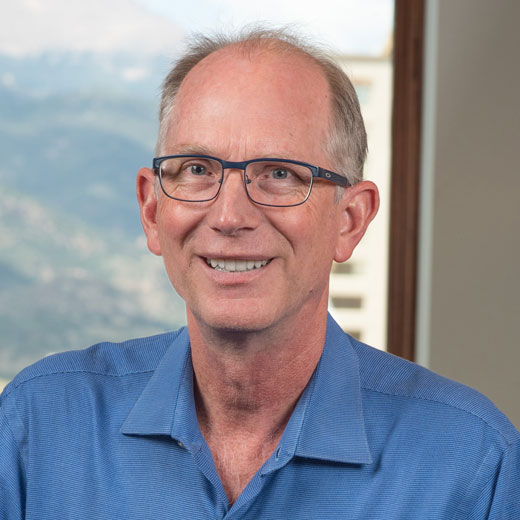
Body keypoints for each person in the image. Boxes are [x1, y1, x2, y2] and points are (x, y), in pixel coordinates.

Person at [1, 28, 519, 519]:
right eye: (197, 169)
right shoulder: (37, 427)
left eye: (279, 174)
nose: (229, 217)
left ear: (350, 220)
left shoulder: (472, 465)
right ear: (153, 210)